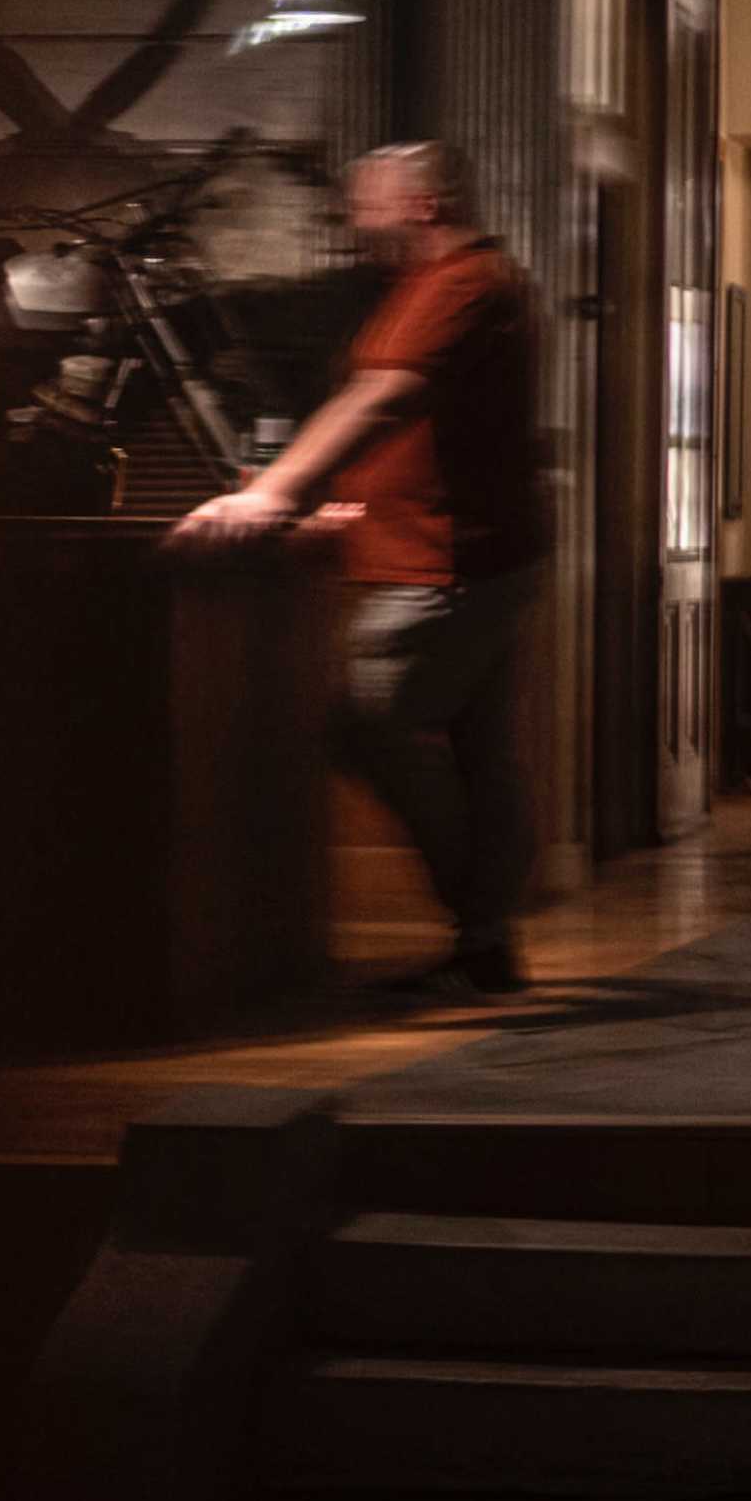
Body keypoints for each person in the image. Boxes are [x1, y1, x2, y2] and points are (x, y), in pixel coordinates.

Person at [176, 141, 549, 994]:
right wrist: (342, 499)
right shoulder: (451, 285)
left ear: (420, 204)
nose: (353, 221)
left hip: (447, 560)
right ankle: (485, 942)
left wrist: (271, 495)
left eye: (366, 203)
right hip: (466, 551)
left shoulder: (459, 283)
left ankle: (480, 918)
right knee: (479, 749)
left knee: (365, 722)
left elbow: (379, 400)